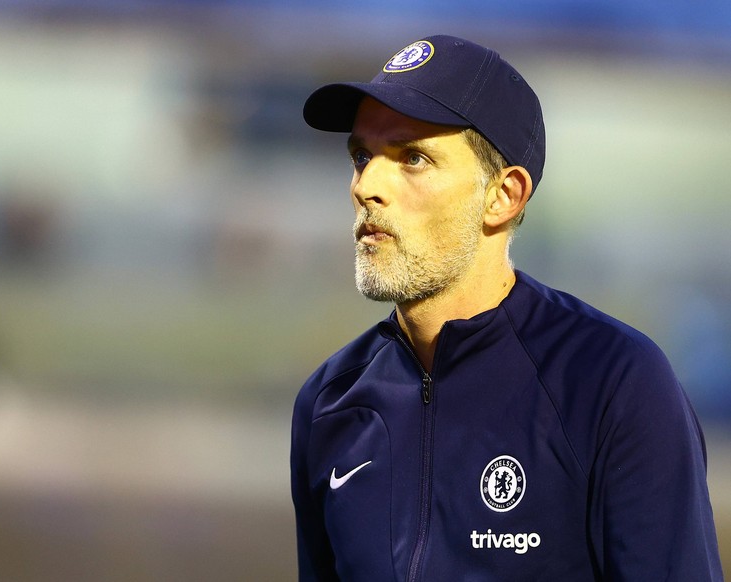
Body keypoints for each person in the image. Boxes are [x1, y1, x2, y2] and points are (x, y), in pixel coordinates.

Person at [290, 34, 723, 581]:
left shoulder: (612, 383)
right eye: (362, 155)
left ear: (504, 195)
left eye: (413, 158)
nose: (366, 185)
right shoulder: (328, 402)